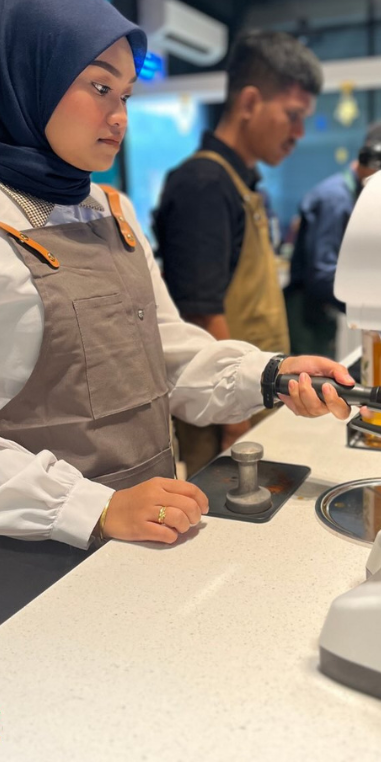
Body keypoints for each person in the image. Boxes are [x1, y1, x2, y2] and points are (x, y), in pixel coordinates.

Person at [0, 0, 356, 661]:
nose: (118, 116)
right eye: (97, 87)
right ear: (24, 78)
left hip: (145, 535)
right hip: (25, 564)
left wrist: (267, 373)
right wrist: (92, 509)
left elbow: (163, 353)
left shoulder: (111, 209)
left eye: (125, 95)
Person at [152, 30, 322, 472]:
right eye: (292, 115)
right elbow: (201, 312)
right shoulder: (204, 183)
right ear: (249, 103)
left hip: (253, 392)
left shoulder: (241, 181)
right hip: (223, 408)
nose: (299, 133)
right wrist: (237, 413)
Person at [288, 122, 381, 358]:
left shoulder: (350, 193)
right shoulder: (335, 200)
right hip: (306, 314)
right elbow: (322, 273)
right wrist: (371, 311)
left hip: (320, 313)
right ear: (371, 159)